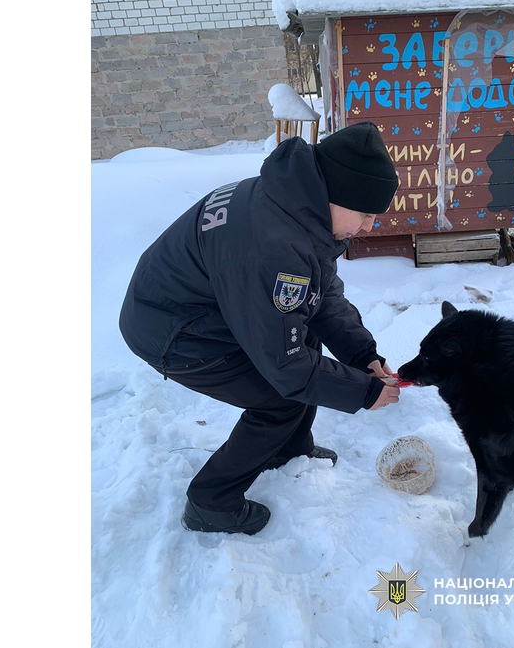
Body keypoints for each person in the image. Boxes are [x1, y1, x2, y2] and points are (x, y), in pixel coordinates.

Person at [119, 121, 402, 536]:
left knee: (303, 339)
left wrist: (363, 355)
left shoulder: (295, 204)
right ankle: (210, 503)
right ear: (337, 195)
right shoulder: (274, 246)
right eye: (365, 214)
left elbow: (319, 295)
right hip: (172, 328)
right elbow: (286, 369)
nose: (368, 227)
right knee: (278, 399)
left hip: (202, 304)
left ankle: (289, 449)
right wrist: (364, 391)